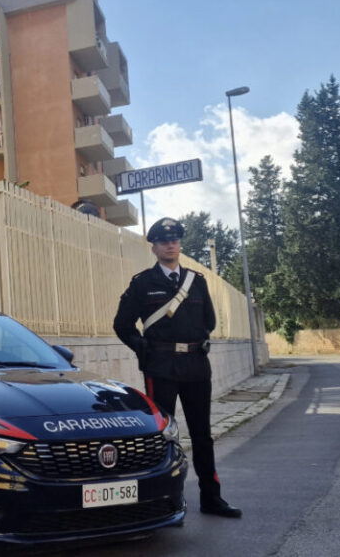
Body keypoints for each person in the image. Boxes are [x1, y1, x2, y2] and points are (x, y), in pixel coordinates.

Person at [113, 217, 242, 518]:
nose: (171, 245)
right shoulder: (142, 283)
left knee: (202, 434)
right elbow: (122, 325)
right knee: (163, 435)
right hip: (161, 368)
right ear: (154, 247)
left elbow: (208, 321)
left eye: (175, 240)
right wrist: (141, 347)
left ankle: (212, 498)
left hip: (196, 365)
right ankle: (164, 501)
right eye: (164, 241)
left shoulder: (196, 281)